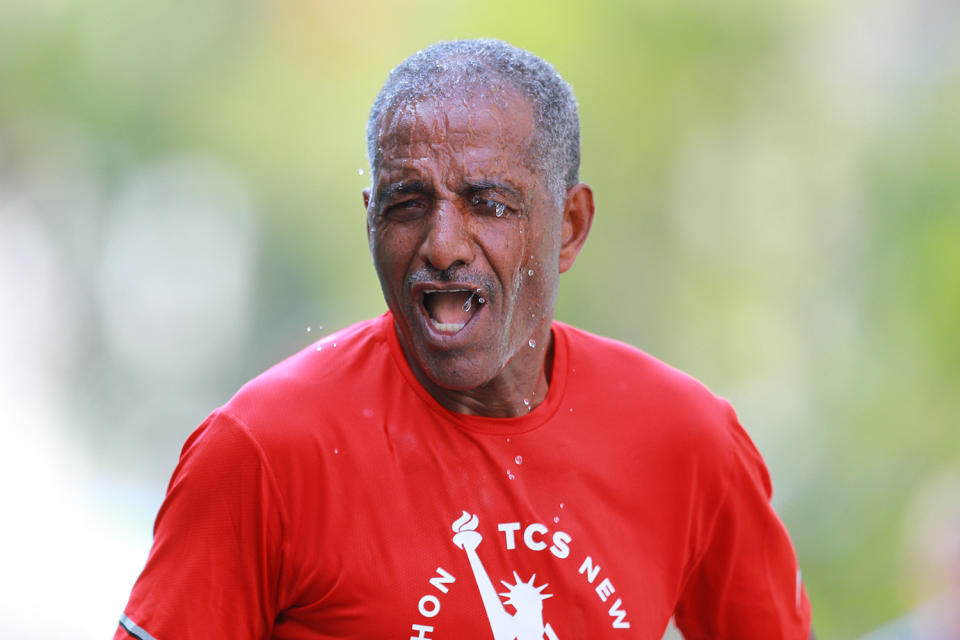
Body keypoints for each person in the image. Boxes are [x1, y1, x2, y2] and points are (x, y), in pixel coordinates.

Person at [115, 39, 813, 640]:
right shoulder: (263, 450)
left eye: (490, 205)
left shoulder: (689, 443)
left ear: (569, 226)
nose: (443, 245)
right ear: (370, 221)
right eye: (407, 204)